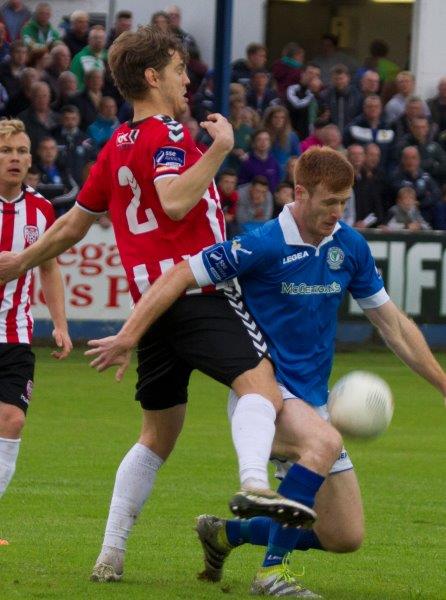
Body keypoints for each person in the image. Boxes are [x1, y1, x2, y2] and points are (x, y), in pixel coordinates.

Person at [0, 25, 311, 580]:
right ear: (152, 76)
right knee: (259, 383)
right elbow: (172, 202)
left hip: (154, 305)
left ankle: (111, 553)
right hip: (199, 291)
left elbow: (75, 221)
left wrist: (20, 262)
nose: (186, 80)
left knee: (157, 434)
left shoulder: (119, 141)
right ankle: (254, 485)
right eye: (177, 69)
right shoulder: (168, 132)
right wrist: (218, 148)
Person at [84, 147, 446, 597]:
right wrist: (129, 335)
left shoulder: (348, 246)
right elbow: (179, 274)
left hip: (313, 402)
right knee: (325, 442)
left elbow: (393, 325)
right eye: (328, 202)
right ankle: (272, 573)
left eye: (343, 202)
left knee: (345, 536)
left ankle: (225, 534)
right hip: (268, 394)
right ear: (300, 193)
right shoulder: (262, 243)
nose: (337, 212)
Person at [0, 119, 72, 544]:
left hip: (16, 335)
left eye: (23, 151)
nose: (16, 158)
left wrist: (60, 324)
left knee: (13, 419)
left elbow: (48, 266)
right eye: (7, 150)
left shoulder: (41, 210)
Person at [70, 25, 107, 92]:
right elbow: (76, 82)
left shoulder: (108, 57)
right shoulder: (79, 58)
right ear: (89, 40)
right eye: (95, 38)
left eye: (101, 38)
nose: (99, 40)